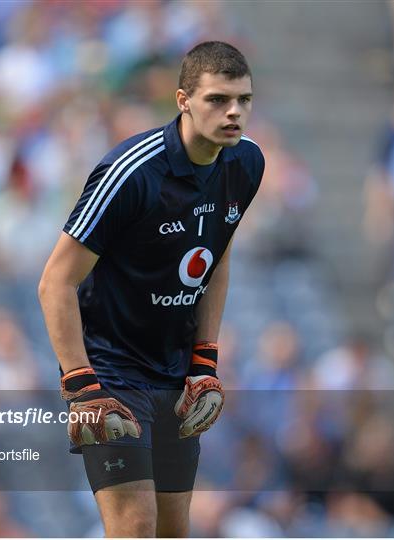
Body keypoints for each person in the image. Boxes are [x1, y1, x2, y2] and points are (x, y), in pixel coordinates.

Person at [39, 41, 265, 537]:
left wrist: (204, 360)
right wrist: (82, 387)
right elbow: (56, 280)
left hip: (176, 375)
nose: (234, 112)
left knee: (171, 532)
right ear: (183, 99)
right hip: (113, 373)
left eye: (244, 100)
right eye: (217, 99)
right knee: (135, 527)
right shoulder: (132, 172)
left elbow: (217, 253)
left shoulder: (246, 164)